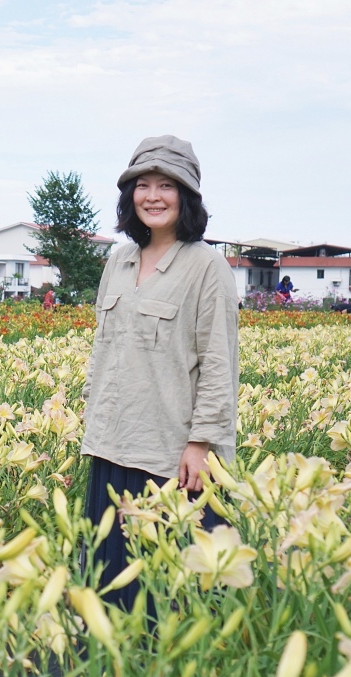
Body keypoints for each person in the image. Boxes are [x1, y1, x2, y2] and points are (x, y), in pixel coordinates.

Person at [81, 135, 239, 614]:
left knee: (168, 594)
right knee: (106, 587)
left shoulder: (207, 267)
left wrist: (201, 444)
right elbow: (103, 349)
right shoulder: (118, 260)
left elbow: (219, 363)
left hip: (170, 457)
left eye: (166, 185)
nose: (152, 195)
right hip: (111, 445)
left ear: (186, 195)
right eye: (142, 185)